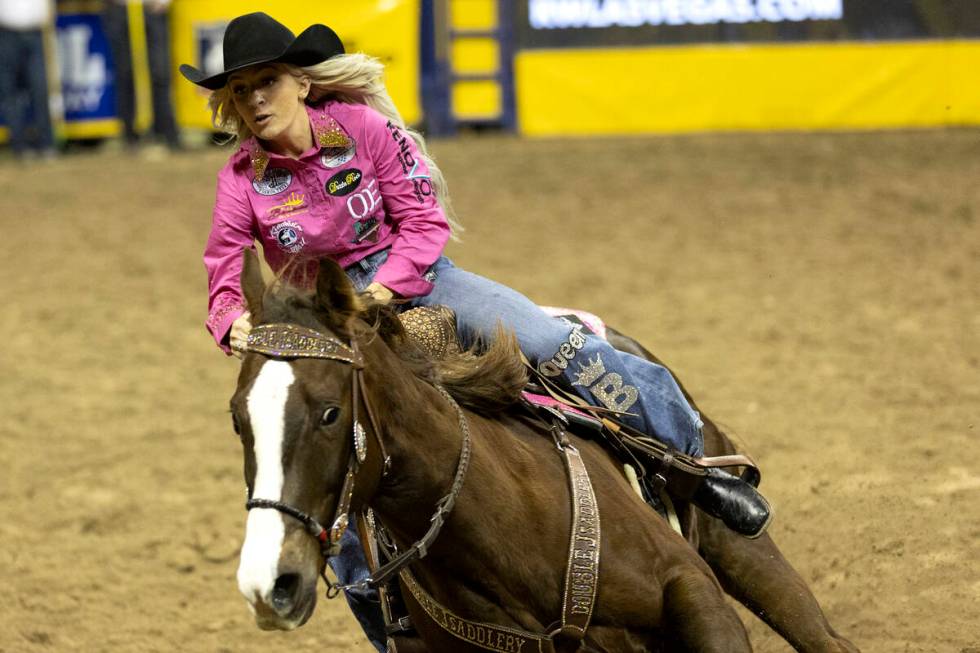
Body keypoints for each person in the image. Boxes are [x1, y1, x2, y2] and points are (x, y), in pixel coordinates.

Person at [181, 12, 770, 651]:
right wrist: (229, 320)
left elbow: (423, 219)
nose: (256, 99)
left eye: (267, 81)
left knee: (552, 343)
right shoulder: (242, 179)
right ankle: (393, 628)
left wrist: (385, 287)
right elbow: (224, 261)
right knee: (333, 481)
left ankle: (693, 469)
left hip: (421, 280)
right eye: (241, 91)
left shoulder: (367, 130)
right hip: (330, 322)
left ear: (301, 83)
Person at [101, 0, 180, 151]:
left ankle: (167, 133)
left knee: (160, 73)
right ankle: (129, 135)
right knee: (125, 75)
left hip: (152, 9)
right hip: (119, 9)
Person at [0, 0, 56, 159]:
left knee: (40, 88)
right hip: (6, 32)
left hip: (36, 30)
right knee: (11, 92)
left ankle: (47, 143)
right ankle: (19, 146)